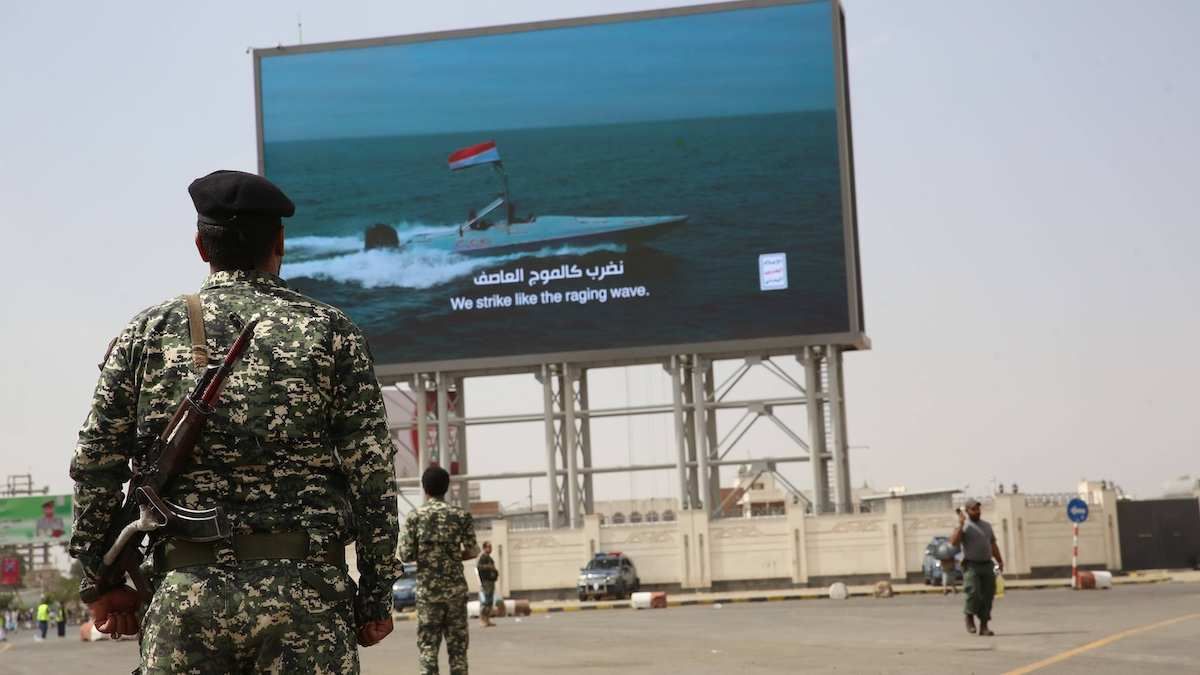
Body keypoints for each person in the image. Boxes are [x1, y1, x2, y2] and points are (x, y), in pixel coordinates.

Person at [69, 170, 400, 673]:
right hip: (306, 604)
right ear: (279, 243)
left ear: (201, 246)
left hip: (185, 602)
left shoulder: (146, 333)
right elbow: (372, 475)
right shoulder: (333, 333)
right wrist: (375, 596)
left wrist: (100, 580)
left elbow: (95, 465)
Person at [399, 466, 480, 675]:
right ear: (447, 487)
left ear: (424, 488)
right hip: (455, 593)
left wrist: (428, 555)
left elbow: (405, 554)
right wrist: (452, 555)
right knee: (458, 652)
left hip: (428, 594)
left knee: (428, 650)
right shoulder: (460, 515)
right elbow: (473, 551)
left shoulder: (415, 516)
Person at [950, 499, 1005, 636]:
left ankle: (984, 626)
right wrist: (960, 524)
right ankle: (969, 616)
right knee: (973, 592)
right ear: (967, 511)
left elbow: (993, 545)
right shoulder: (964, 526)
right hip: (971, 565)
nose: (977, 511)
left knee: (988, 595)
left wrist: (999, 561)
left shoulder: (987, 526)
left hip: (987, 564)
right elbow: (953, 542)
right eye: (973, 509)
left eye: (978, 509)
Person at [476, 542, 498, 628]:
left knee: (490, 602)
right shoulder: (482, 557)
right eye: (488, 547)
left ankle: (487, 619)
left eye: (491, 547)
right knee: (485, 601)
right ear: (484, 548)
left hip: (491, 581)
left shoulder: (489, 558)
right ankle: (482, 620)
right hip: (485, 582)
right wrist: (488, 567)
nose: (490, 549)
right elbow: (479, 567)